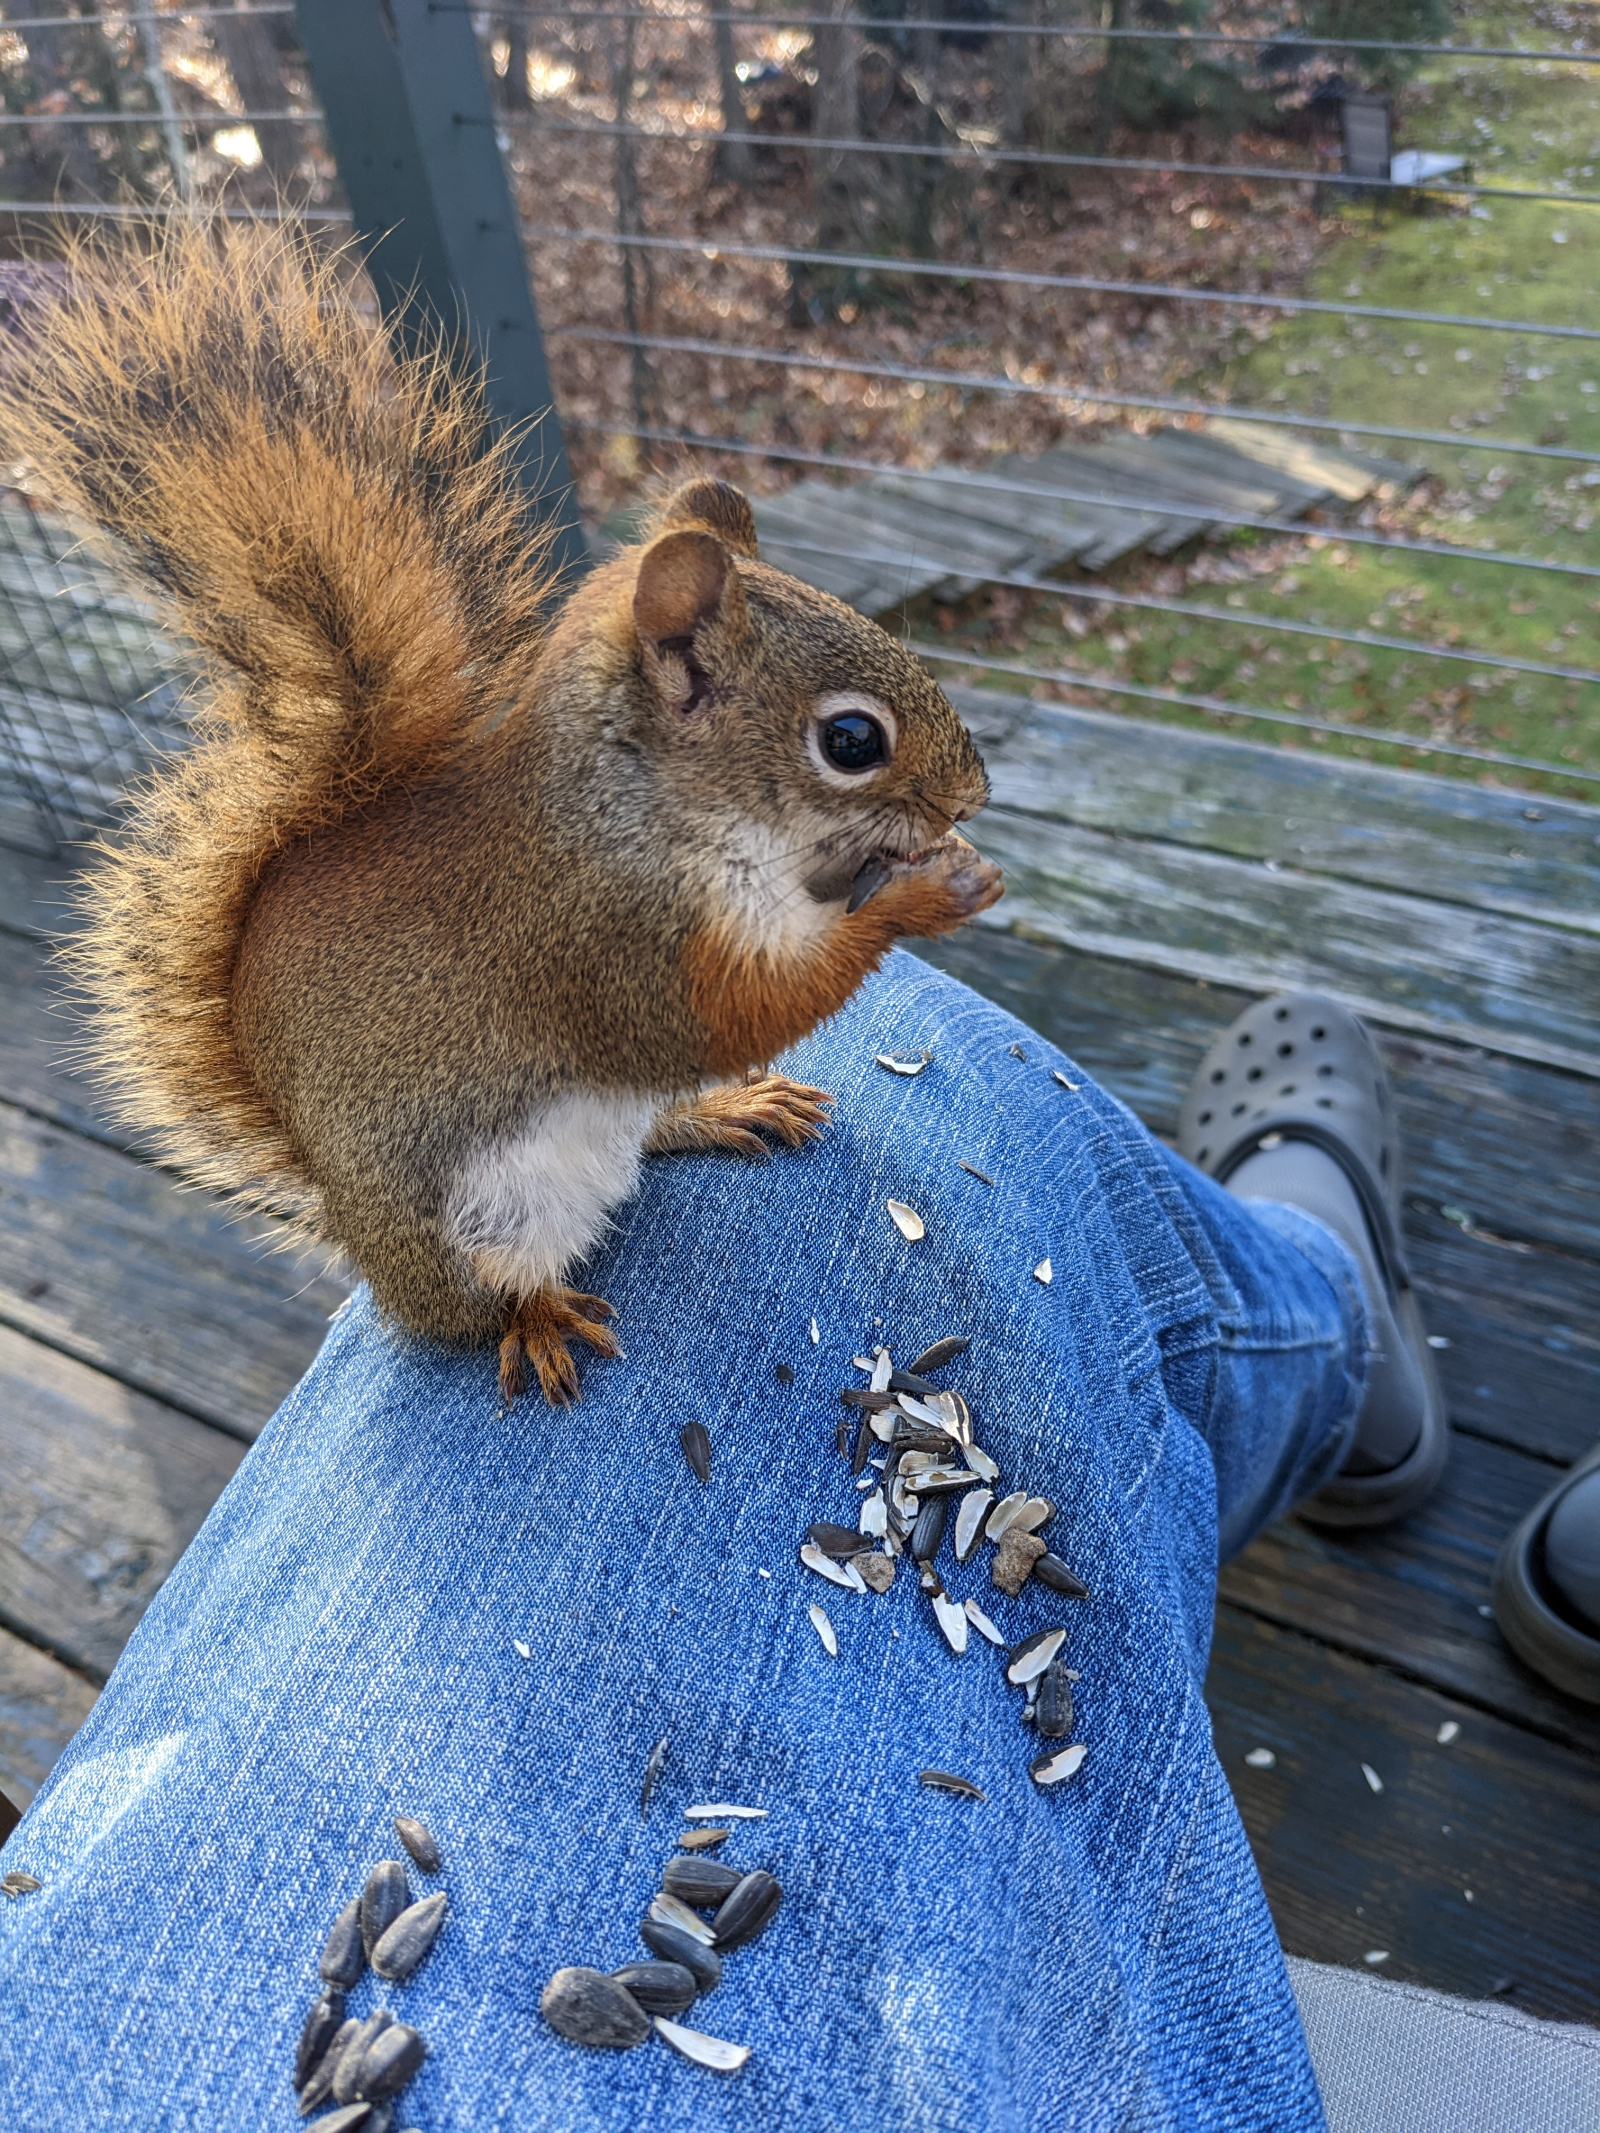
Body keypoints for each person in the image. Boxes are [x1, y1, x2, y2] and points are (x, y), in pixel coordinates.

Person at [0, 960, 1450, 2132]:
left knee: (835, 1064)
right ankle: (1320, 1320)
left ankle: (1314, 1322)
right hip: (486, 1248)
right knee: (895, 1029)